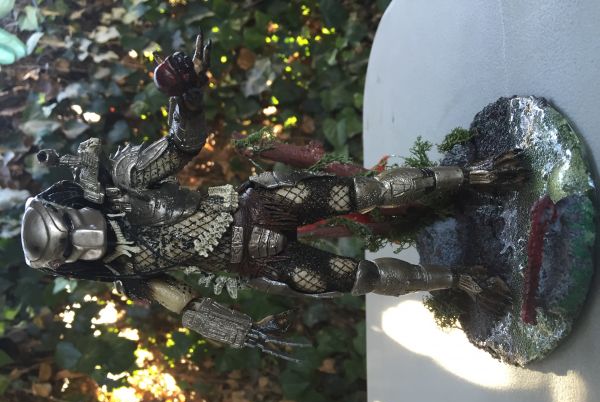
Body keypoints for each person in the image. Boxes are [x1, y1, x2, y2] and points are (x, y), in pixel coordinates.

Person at [20, 33, 521, 360]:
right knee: (361, 278)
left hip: (261, 205)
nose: (87, 239)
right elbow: (187, 305)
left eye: (74, 227)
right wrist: (242, 331)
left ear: (73, 203)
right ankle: (459, 279)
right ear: (72, 264)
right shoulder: (129, 273)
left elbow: (181, 145)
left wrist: (186, 98)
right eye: (74, 249)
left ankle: (473, 174)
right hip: (261, 263)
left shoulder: (127, 183)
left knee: (366, 190)